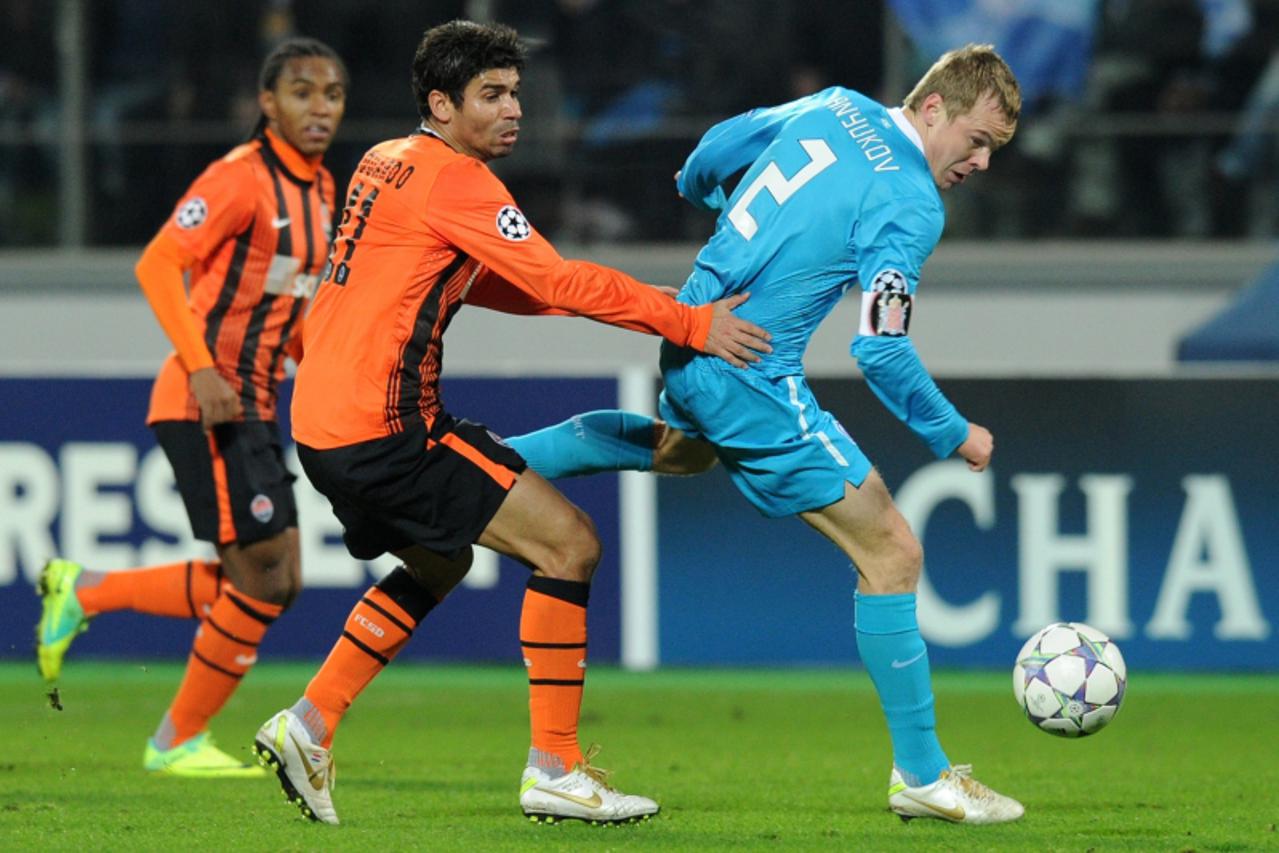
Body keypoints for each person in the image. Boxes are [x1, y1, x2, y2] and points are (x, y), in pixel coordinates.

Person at [250, 20, 769, 827]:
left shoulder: (383, 160)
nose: (513, 109)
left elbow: (454, 273)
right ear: (441, 102)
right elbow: (556, 281)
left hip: (323, 426)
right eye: (491, 95)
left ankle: (308, 724)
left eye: (515, 93)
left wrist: (546, 290)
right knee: (570, 543)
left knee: (438, 562)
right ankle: (554, 767)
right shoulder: (458, 180)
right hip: (389, 427)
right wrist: (687, 321)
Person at [502, 43, 1027, 825]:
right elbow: (878, 347)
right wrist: (953, 433)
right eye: (977, 141)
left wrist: (707, 199)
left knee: (681, 448)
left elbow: (713, 150)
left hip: (693, 328)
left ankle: (486, 462)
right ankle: (922, 773)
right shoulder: (911, 199)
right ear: (929, 110)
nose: (980, 163)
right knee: (892, 549)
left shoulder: (834, 104)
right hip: (750, 369)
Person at [34, 37, 349, 777]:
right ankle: (174, 738)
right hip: (207, 400)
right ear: (267, 103)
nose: (319, 107)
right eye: (301, 91)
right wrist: (205, 369)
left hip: (257, 402)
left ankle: (86, 590)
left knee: (277, 579)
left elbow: (293, 305)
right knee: (265, 577)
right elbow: (157, 262)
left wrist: (328, 376)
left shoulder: (324, 191)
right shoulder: (239, 179)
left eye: (332, 93)